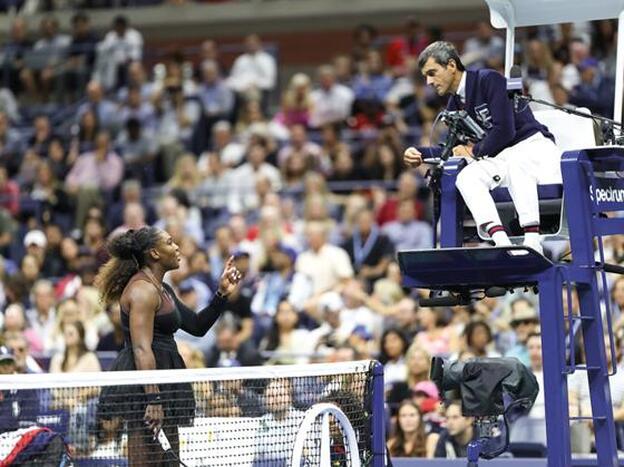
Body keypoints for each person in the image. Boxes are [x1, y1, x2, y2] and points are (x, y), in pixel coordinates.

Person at [94, 227, 242, 466]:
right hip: (146, 387)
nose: (177, 247)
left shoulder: (163, 289)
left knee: (169, 462)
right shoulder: (142, 290)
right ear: (154, 253)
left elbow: (196, 326)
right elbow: (142, 349)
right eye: (170, 243)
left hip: (165, 380)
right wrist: (153, 399)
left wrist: (222, 293)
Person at [403, 41, 562, 254]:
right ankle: (502, 243)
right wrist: (420, 154)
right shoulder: (454, 105)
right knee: (466, 177)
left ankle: (533, 242)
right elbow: (454, 148)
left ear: (451, 65)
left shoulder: (488, 80)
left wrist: (474, 151)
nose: (429, 81)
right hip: (501, 157)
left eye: (432, 73)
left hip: (532, 147)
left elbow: (506, 130)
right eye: (425, 76)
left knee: (516, 163)